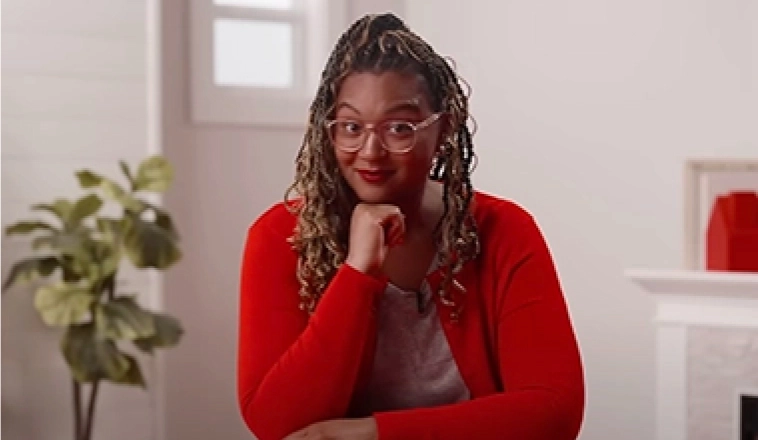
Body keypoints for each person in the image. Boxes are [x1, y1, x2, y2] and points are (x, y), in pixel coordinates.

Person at [237, 12, 585, 440]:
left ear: (444, 129)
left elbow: (554, 412)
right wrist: (357, 272)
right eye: (350, 127)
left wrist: (372, 433)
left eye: (399, 128)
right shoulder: (281, 237)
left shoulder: (503, 230)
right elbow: (275, 423)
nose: (370, 150)